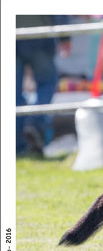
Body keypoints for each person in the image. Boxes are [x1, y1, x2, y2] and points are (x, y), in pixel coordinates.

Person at [16, 15, 71, 155]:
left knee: (12, 93)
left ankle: (18, 145)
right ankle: (34, 123)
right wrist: (65, 36)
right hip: (39, 33)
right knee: (47, 81)